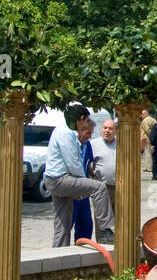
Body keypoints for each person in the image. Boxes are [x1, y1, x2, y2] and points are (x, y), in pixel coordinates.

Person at [45, 104, 113, 248]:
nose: (86, 125)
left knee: (63, 223)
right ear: (81, 119)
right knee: (99, 188)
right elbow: (73, 165)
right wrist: (82, 187)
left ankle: (58, 254)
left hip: (55, 179)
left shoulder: (64, 130)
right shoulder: (67, 133)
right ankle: (106, 230)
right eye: (86, 121)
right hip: (60, 179)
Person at [91, 119, 118, 235]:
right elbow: (88, 164)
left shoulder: (122, 143)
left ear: (115, 131)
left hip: (120, 188)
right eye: (105, 128)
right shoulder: (93, 144)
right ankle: (102, 245)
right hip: (102, 188)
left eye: (110, 128)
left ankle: (119, 246)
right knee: (101, 219)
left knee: (120, 219)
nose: (107, 131)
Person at [139, 109, 157, 175]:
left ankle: (149, 167)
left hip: (147, 138)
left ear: (145, 114)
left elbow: (147, 130)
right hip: (153, 137)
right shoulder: (153, 120)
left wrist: (151, 137)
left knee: (148, 153)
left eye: (142, 114)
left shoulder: (145, 121)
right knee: (148, 153)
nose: (141, 116)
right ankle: (147, 166)